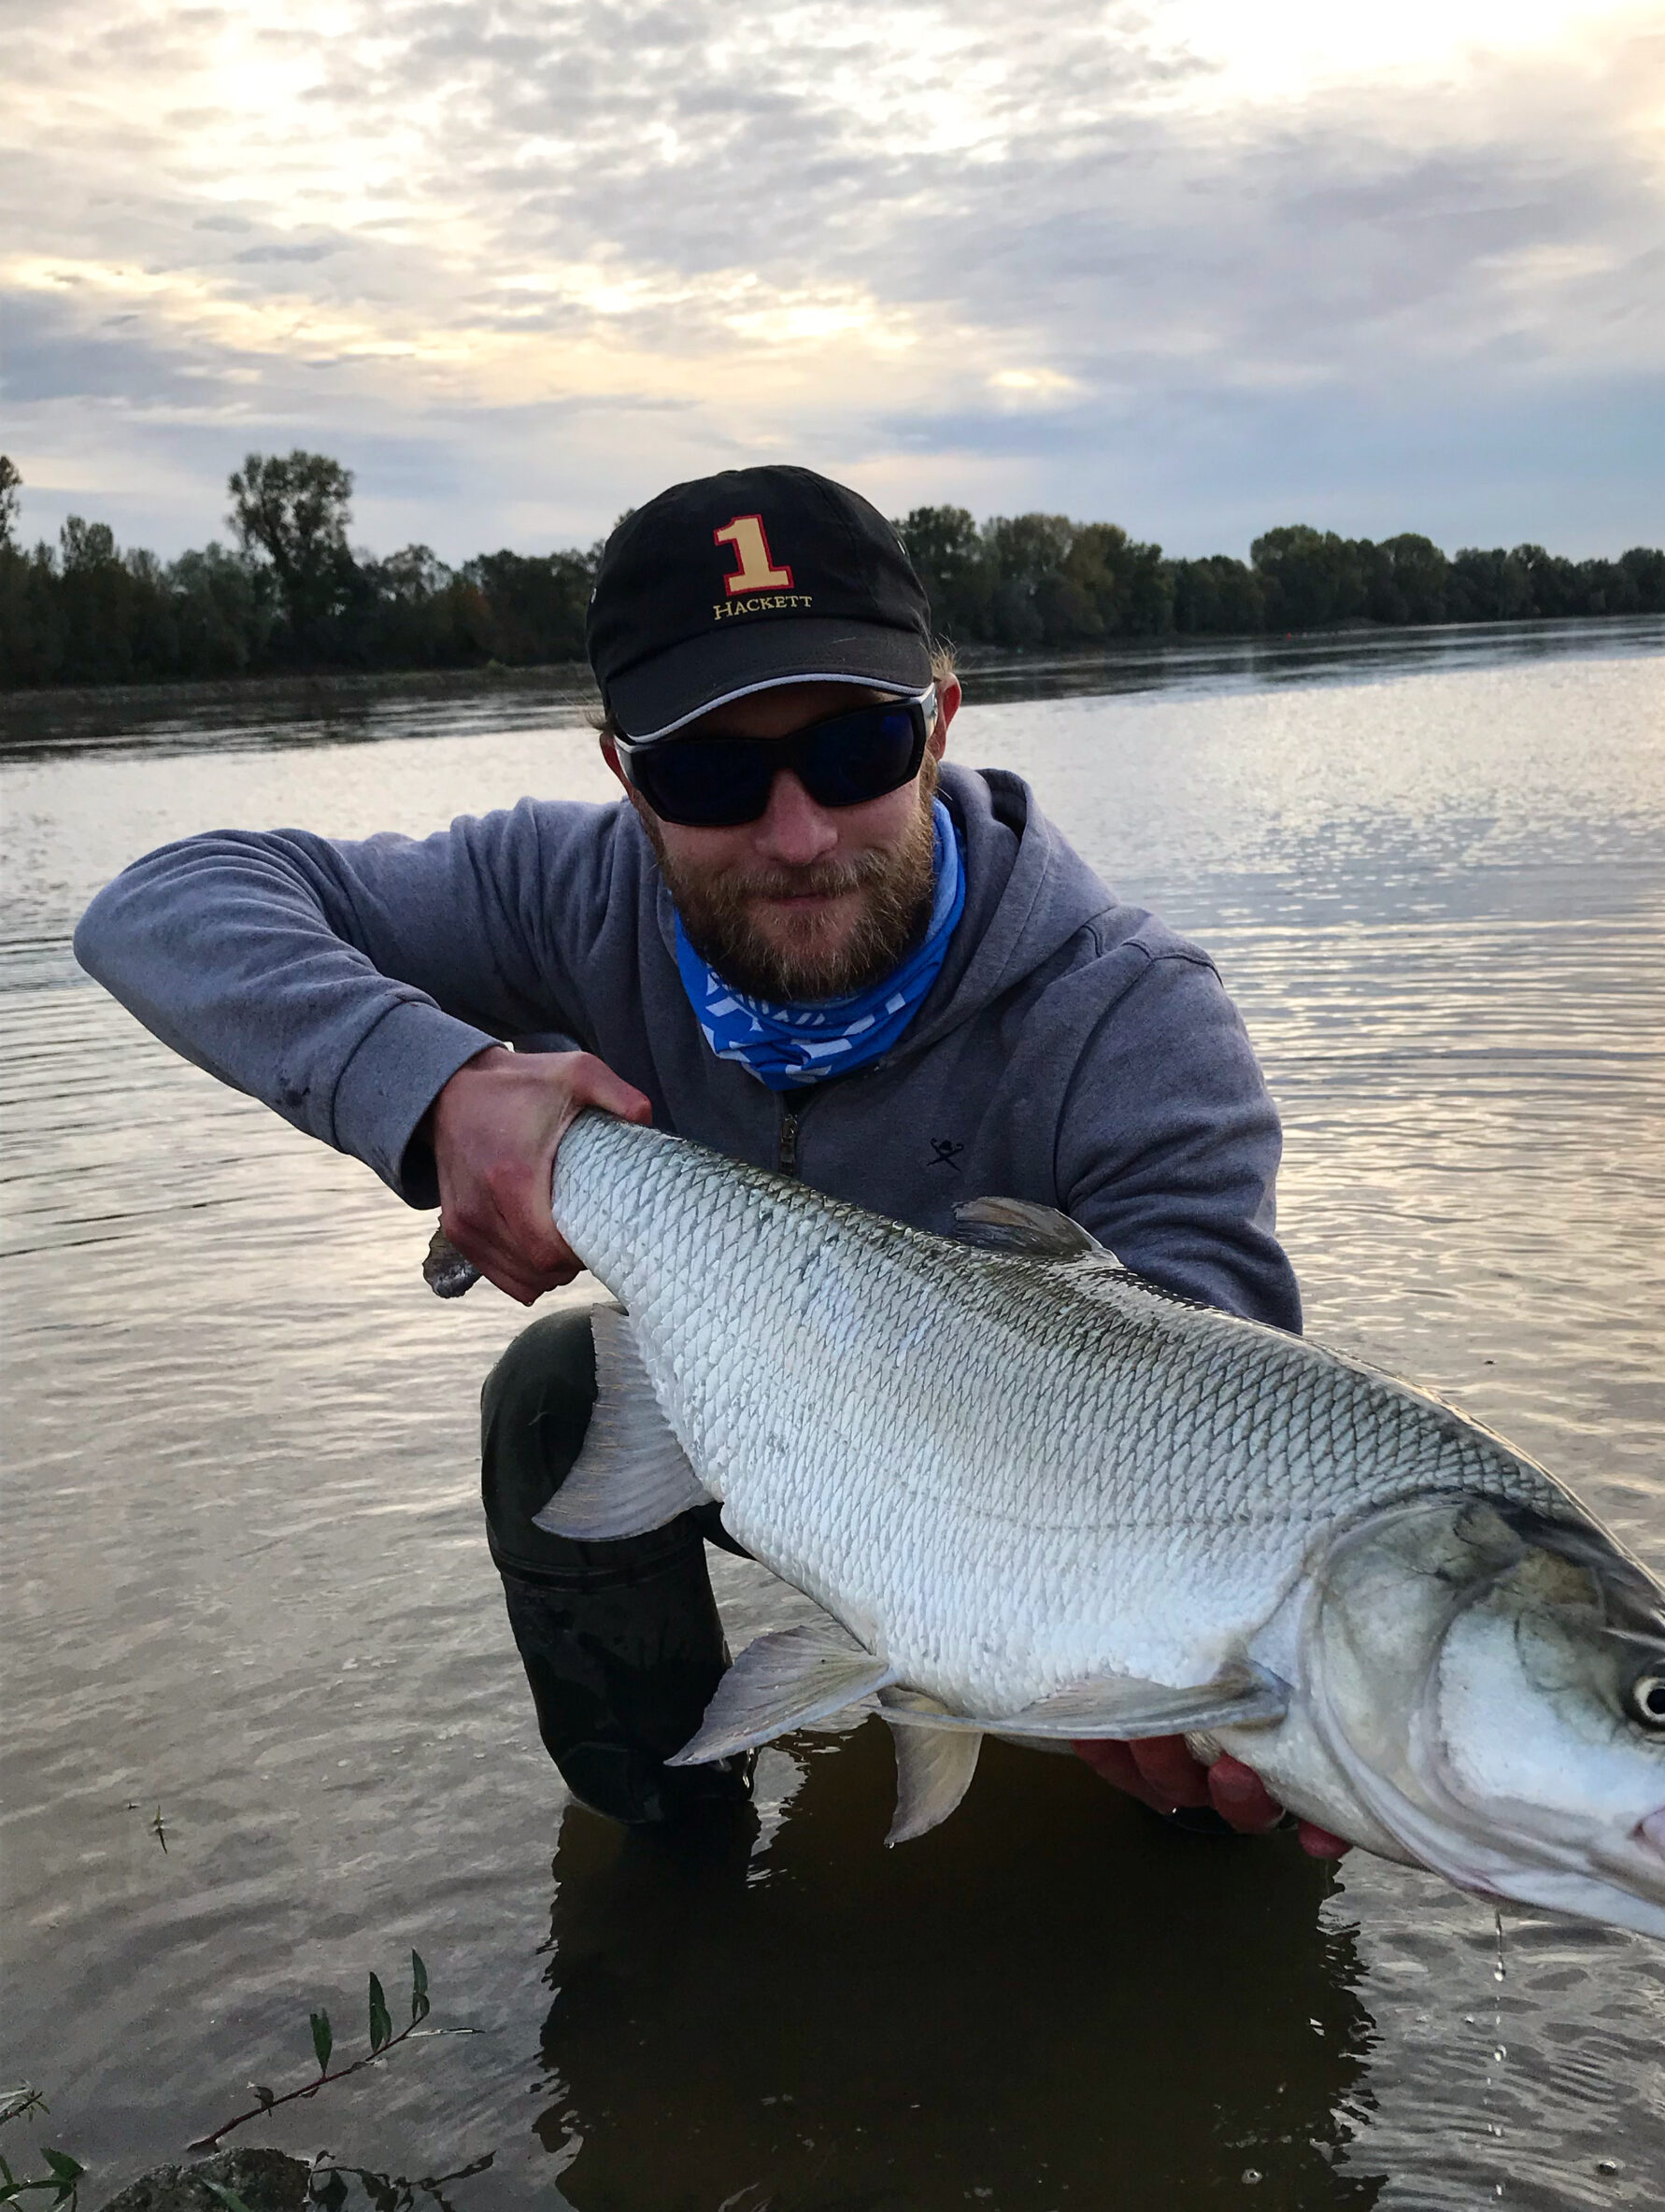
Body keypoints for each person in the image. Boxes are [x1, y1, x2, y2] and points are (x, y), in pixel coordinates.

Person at [76, 463, 1340, 1852]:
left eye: (856, 752)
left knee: (1252, 1770)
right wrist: (437, 1087)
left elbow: (1230, 1410)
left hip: (1037, 1503)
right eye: (713, 774)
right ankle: (674, 1855)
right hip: (742, 1430)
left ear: (940, 726)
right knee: (553, 1394)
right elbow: (162, 906)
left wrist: (1102, 1661)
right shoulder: (560, 892)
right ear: (623, 773)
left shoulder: (1131, 1012)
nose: (798, 837)